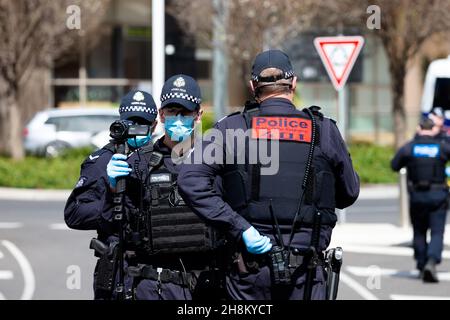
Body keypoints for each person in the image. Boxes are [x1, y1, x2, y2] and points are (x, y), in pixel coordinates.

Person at [177, 49, 360, 300]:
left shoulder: (232, 128)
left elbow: (189, 180)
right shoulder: (323, 130)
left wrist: (240, 227)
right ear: (293, 83)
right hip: (306, 275)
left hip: (248, 273)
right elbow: (348, 193)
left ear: (253, 86)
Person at [65, 81, 222, 300]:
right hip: (129, 271)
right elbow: (76, 215)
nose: (135, 129)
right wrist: (112, 193)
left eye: (143, 123)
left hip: (196, 280)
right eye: (130, 122)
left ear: (154, 123)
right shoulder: (114, 162)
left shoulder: (213, 159)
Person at [391, 117, 450, 283]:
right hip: (438, 196)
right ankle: (432, 261)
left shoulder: (409, 148)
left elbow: (394, 165)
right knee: (437, 232)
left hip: (417, 196)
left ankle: (421, 262)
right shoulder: (442, 146)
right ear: (433, 129)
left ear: (418, 128)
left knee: (419, 231)